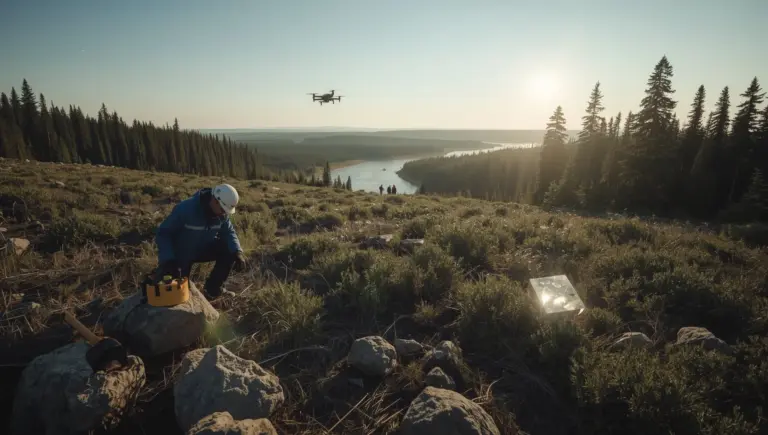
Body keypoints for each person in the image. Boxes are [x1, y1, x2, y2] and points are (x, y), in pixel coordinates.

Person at [155, 183, 247, 301]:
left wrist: (237, 251)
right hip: (180, 255)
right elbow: (164, 233)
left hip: (202, 249)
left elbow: (229, 232)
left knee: (228, 250)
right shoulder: (186, 209)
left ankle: (212, 291)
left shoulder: (221, 215)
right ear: (215, 200)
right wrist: (168, 259)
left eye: (226, 211)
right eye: (223, 210)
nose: (224, 213)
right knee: (179, 294)